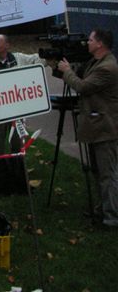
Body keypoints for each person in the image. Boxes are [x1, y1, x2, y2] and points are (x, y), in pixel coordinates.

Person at [57, 28, 118, 227]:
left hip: (104, 128)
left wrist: (67, 71)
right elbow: (78, 76)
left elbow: (83, 87)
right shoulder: (95, 62)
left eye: (90, 40)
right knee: (97, 172)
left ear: (100, 44)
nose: (87, 43)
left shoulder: (107, 67)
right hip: (96, 126)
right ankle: (103, 209)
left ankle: (111, 217)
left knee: (107, 174)